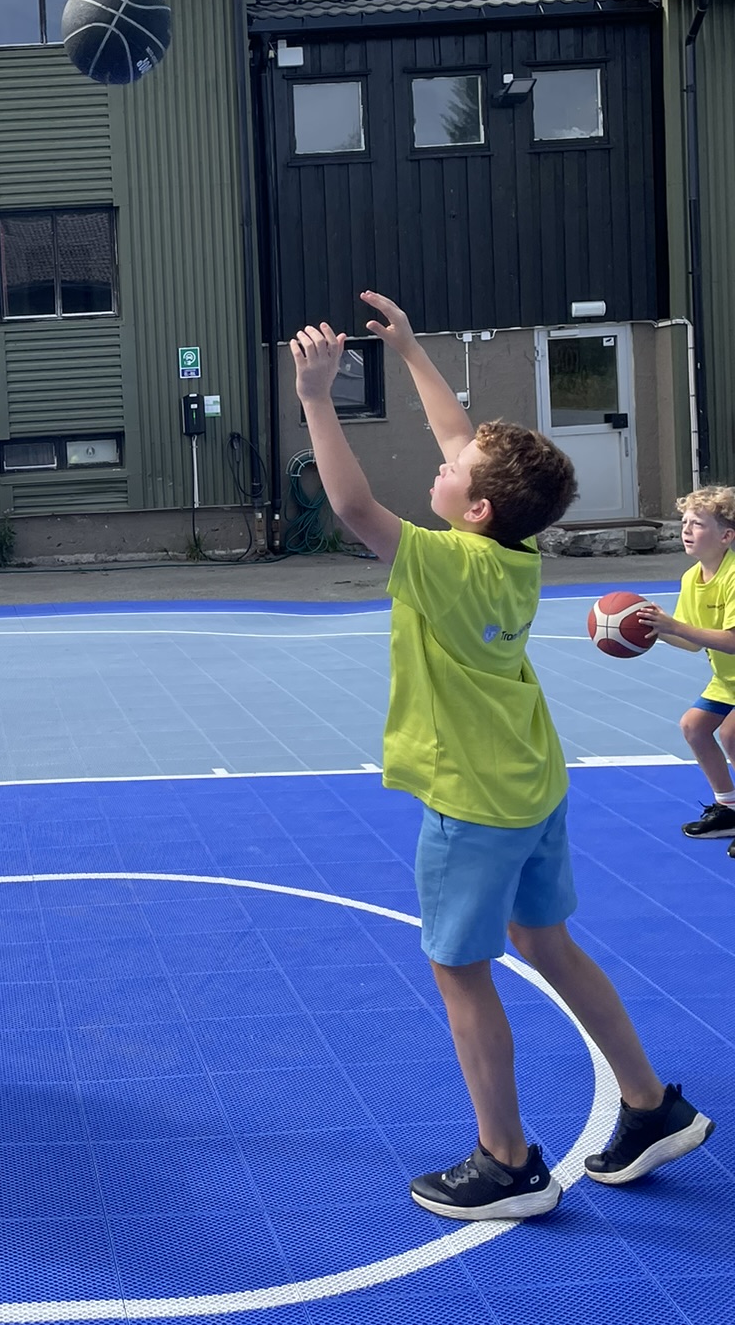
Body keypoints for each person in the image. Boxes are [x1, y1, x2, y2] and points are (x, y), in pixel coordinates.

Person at [291, 291, 714, 1220]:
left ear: (476, 507)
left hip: (474, 800)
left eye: (453, 470)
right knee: (546, 941)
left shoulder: (448, 563)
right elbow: (460, 434)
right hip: (530, 782)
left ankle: (508, 1161)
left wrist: (318, 398)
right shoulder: (511, 553)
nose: (442, 461)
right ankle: (650, 1105)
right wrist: (410, 351)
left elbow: (354, 507)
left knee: (462, 972)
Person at [642, 489, 735, 848]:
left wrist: (675, 626)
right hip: (727, 680)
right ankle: (728, 809)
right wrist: (655, 631)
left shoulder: (732, 576)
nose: (686, 529)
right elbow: (693, 641)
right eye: (684, 522)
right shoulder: (691, 579)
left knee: (731, 734)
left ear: (726, 536)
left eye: (697, 523)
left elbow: (731, 640)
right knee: (693, 727)